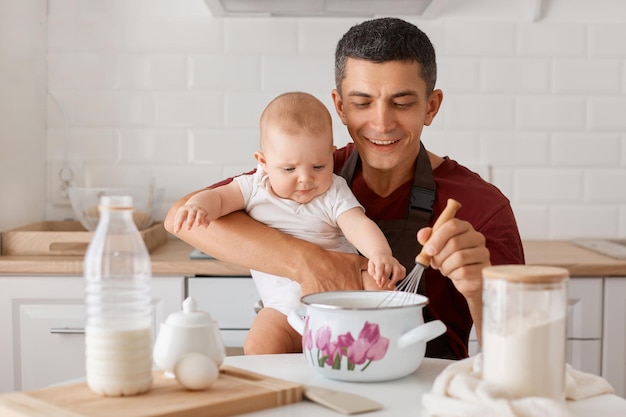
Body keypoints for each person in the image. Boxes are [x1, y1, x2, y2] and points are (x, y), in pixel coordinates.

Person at [164, 17, 525, 359]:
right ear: (339, 106)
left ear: (431, 107)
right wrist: (310, 263)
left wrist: (479, 290)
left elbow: (521, 354)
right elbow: (180, 217)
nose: (381, 123)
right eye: (362, 102)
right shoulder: (313, 171)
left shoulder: (481, 206)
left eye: (401, 103)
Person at [173, 91, 406, 354]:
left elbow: (356, 224)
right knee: (259, 346)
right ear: (263, 162)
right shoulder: (252, 187)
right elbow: (218, 198)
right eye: (289, 169)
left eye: (318, 166)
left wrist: (379, 254)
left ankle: (386, 345)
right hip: (283, 307)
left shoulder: (333, 191)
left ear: (331, 155)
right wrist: (199, 205)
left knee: (379, 290)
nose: (305, 179)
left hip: (343, 296)